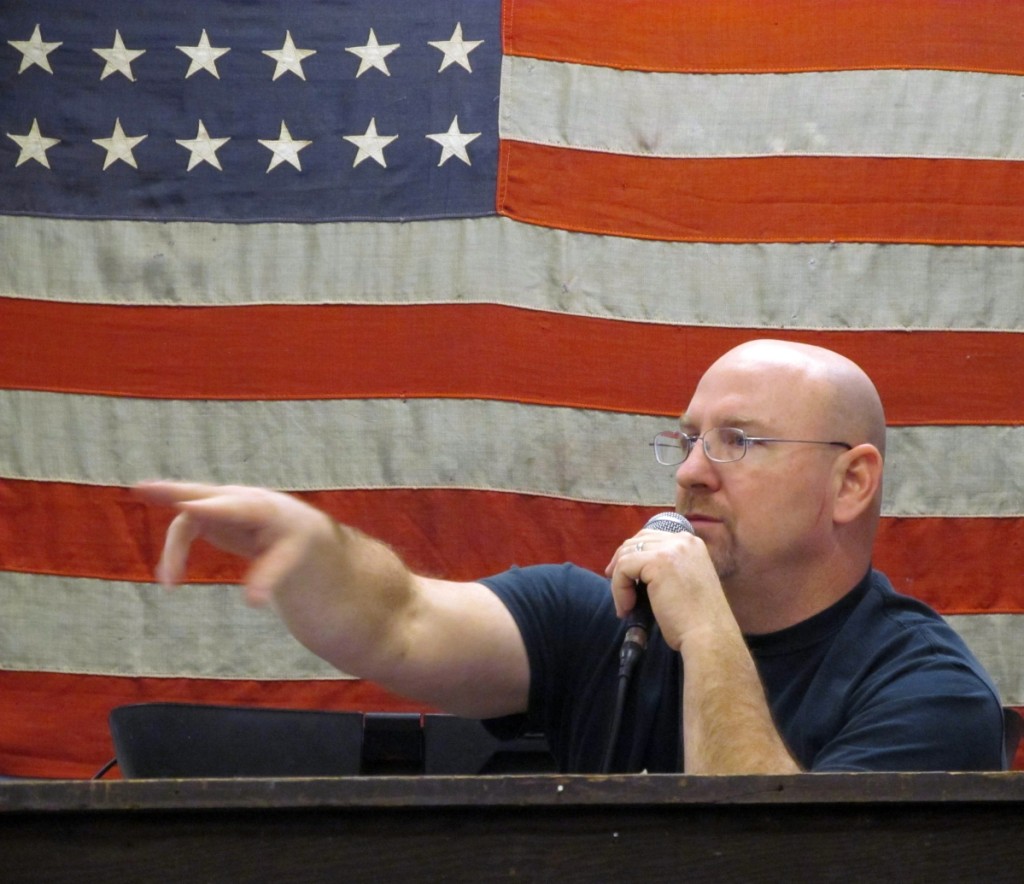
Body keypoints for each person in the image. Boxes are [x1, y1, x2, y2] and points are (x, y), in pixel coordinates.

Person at [135, 339, 1006, 773]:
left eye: (739, 442)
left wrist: (704, 631)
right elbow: (402, 621)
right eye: (687, 440)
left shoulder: (928, 695)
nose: (693, 472)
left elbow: (774, 855)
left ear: (851, 483)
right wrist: (316, 547)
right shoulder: (604, 622)